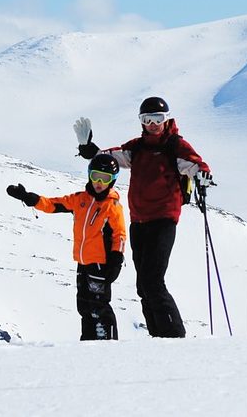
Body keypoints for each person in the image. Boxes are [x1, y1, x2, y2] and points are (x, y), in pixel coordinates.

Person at [74, 96, 213, 338]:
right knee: (143, 285)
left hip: (164, 220)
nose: (152, 124)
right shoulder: (137, 148)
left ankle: (174, 336)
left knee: (153, 281)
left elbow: (197, 165)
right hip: (139, 222)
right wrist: (90, 150)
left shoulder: (174, 146)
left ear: (166, 119)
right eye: (147, 119)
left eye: (158, 119)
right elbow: (111, 158)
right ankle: (157, 336)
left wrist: (202, 176)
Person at [6, 154, 126, 340]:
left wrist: (116, 259)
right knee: (84, 304)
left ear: (113, 181)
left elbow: (120, 235)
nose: (99, 183)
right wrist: (29, 198)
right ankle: (88, 339)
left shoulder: (112, 206)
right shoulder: (80, 199)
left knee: (99, 305)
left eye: (105, 178)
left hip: (101, 264)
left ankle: (107, 341)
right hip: (83, 262)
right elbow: (54, 204)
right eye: (96, 176)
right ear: (89, 175)